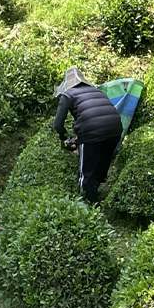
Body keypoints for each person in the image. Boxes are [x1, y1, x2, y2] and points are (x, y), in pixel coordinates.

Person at [53, 66, 123, 204]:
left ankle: (87, 205)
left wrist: (63, 138)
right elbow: (98, 114)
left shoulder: (68, 95)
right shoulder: (96, 91)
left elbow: (57, 124)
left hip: (91, 131)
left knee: (86, 172)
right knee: (102, 163)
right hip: (115, 128)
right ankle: (96, 192)